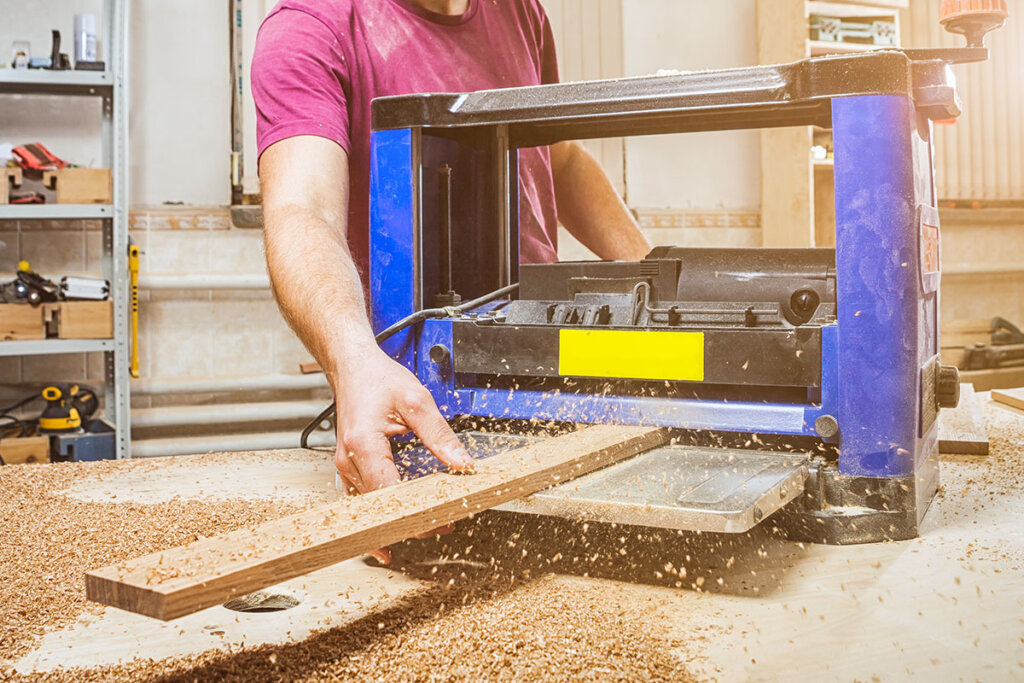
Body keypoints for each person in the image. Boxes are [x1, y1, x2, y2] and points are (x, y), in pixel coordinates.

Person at [252, 0, 651, 554]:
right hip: (423, 388)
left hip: (553, 350)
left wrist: (657, 280)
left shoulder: (522, 14)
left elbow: (561, 160)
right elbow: (303, 211)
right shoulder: (312, 25)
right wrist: (354, 361)